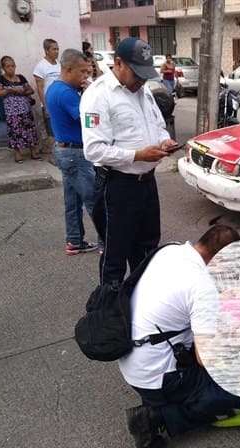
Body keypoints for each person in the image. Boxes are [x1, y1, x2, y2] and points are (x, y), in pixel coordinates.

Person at [119, 224, 240, 448]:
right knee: (236, 392)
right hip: (156, 376)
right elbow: (204, 359)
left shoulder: (170, 250)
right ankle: (155, 419)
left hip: (132, 359)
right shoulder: (201, 286)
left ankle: (160, 403)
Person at [80, 37, 179, 285]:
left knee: (147, 248)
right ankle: (109, 313)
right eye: (138, 74)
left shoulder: (143, 91)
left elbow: (158, 126)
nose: (142, 81)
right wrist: (136, 155)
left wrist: (164, 141)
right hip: (117, 185)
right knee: (116, 253)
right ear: (118, 63)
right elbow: (93, 150)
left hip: (147, 183)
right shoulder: (97, 96)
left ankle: (141, 307)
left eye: (146, 75)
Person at [45, 49, 98, 255]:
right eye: (83, 72)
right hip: (75, 154)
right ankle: (107, 242)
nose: (86, 76)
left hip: (65, 151)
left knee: (73, 200)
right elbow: (90, 121)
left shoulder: (55, 88)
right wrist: (92, 93)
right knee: (93, 199)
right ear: (68, 69)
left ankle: (74, 240)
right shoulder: (67, 93)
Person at [0, 56, 41, 163]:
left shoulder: (21, 78)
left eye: (12, 66)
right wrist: (9, 90)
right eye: (8, 66)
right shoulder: (1, 80)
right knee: (15, 133)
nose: (11, 68)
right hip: (12, 112)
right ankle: (17, 154)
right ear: (3, 68)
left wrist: (23, 91)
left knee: (30, 131)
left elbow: (31, 90)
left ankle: (33, 152)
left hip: (25, 110)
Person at [33, 38, 61, 156]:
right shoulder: (41, 67)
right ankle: (53, 157)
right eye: (54, 49)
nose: (57, 51)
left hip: (60, 103)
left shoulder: (59, 65)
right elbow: (40, 87)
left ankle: (60, 155)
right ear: (47, 50)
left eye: (57, 49)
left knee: (60, 130)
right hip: (49, 104)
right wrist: (46, 106)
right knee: (52, 132)